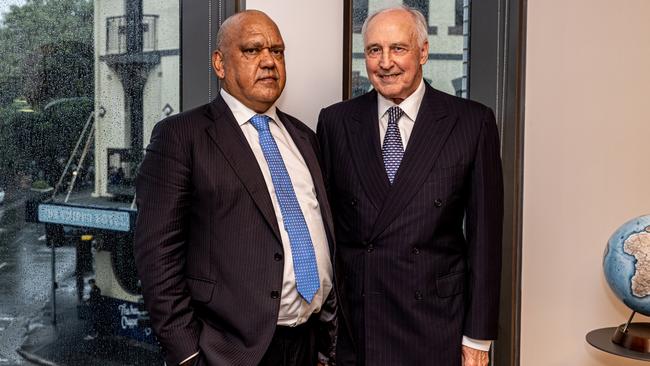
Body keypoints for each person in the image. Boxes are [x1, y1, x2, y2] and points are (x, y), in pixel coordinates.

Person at [134, 10, 336, 366]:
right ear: (219, 63)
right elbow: (157, 255)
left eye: (277, 51)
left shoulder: (304, 137)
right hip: (228, 353)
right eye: (252, 50)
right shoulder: (182, 136)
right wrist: (187, 354)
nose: (269, 61)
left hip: (307, 344)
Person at [317, 6, 503, 366]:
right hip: (359, 325)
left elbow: (486, 239)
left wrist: (478, 338)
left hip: (435, 323)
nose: (385, 63)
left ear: (423, 52)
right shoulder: (336, 122)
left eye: (398, 48)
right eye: (374, 50)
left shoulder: (471, 123)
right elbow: (326, 232)